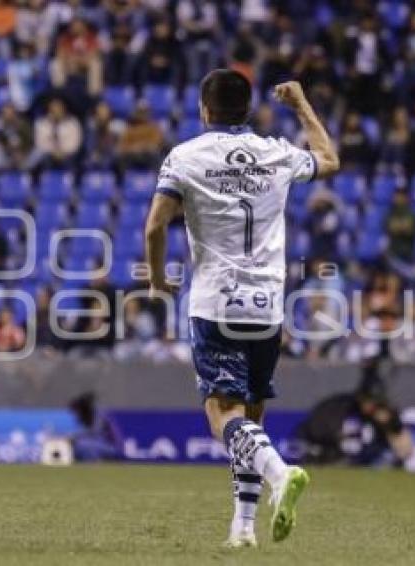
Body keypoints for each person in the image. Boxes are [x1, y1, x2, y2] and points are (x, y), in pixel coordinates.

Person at [145, 70, 339, 548]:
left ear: (204, 110)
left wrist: (154, 281)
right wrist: (300, 104)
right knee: (252, 420)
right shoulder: (276, 153)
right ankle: (243, 528)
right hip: (268, 307)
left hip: (215, 304)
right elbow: (329, 160)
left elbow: (154, 227)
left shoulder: (184, 157)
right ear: (247, 109)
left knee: (221, 415)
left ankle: (280, 474)